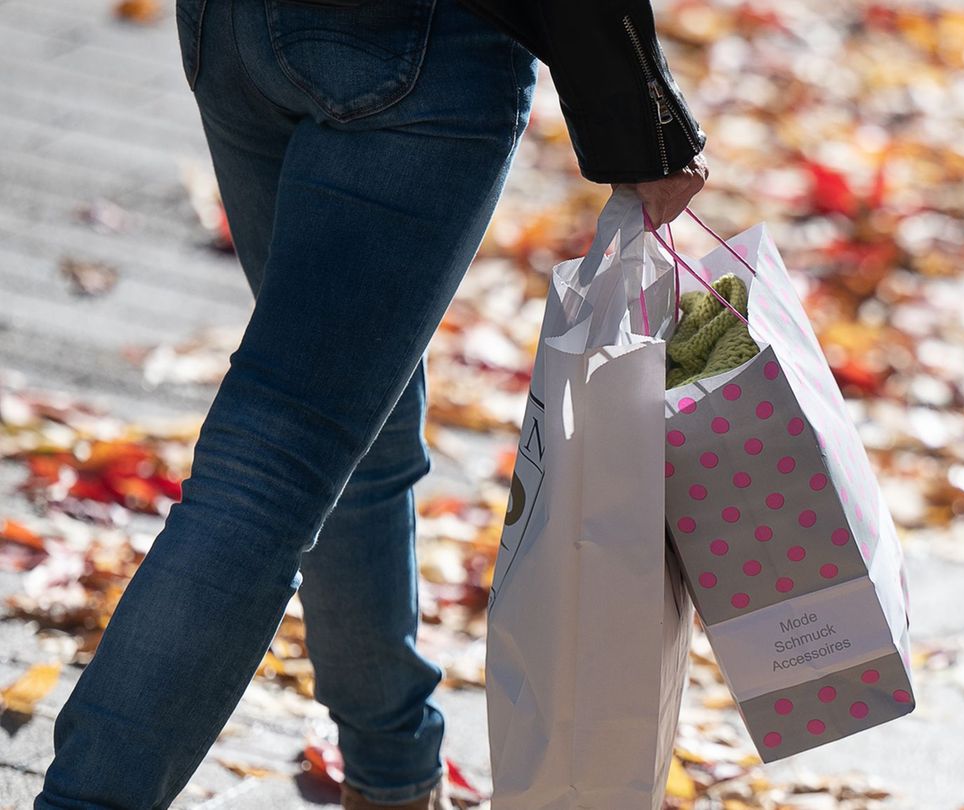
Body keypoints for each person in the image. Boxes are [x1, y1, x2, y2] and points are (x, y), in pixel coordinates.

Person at [34, 0, 707, 808]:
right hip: (410, 43)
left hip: (230, 30)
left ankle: (393, 773)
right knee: (275, 458)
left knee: (347, 406)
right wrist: (638, 118)